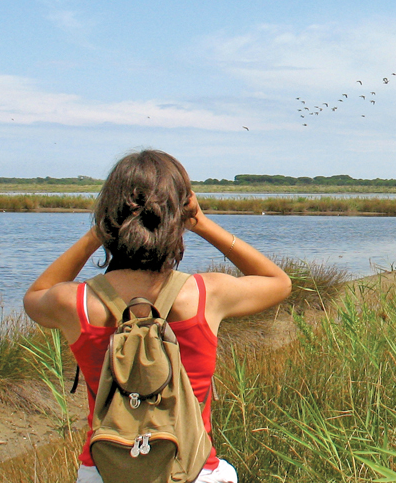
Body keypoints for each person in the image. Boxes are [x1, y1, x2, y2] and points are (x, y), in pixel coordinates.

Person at [23, 150, 292, 483]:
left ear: (110, 215)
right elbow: (278, 282)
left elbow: (34, 296)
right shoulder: (205, 295)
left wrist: (98, 232)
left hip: (105, 471)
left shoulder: (77, 302)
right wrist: (203, 224)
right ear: (178, 214)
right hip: (192, 470)